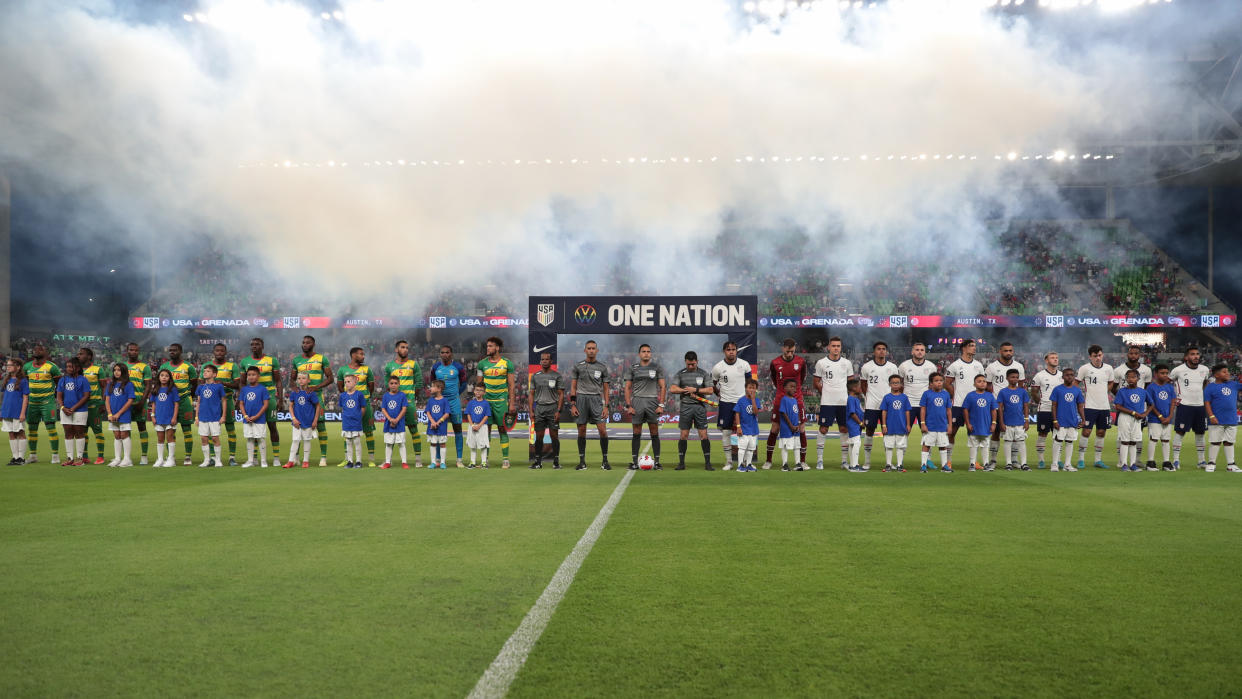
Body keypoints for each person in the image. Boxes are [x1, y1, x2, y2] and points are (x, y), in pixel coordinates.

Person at [764, 339, 808, 470]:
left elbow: (802, 378)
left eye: (792, 351)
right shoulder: (775, 362)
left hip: (797, 400)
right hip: (780, 400)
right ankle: (768, 460)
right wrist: (783, 392)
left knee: (801, 428)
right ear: (783, 348)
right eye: (788, 351)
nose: (790, 354)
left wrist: (795, 392)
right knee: (775, 429)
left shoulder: (801, 362)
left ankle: (802, 461)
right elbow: (774, 379)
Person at [813, 336, 855, 470]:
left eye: (838, 346)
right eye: (833, 346)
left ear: (841, 348)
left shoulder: (847, 363)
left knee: (844, 429)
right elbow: (816, 382)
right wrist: (825, 392)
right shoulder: (821, 363)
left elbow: (851, 383)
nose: (836, 348)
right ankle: (820, 460)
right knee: (823, 429)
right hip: (827, 402)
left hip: (843, 402)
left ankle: (844, 461)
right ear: (829, 347)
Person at [290, 335, 333, 466]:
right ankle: (296, 457)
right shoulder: (296, 360)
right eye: (303, 342)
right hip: (301, 397)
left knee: (320, 426)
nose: (305, 344)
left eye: (308, 342)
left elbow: (330, 378)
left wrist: (316, 387)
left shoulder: (321, 358)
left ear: (313, 344)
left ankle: (323, 458)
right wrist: (294, 388)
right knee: (298, 425)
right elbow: (291, 379)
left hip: (317, 395)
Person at [239, 338, 282, 468]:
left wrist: (280, 398)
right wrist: (242, 398)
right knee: (253, 428)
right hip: (252, 398)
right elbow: (242, 382)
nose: (254, 346)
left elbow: (278, 381)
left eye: (257, 344)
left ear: (262, 346)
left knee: (272, 427)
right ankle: (255, 459)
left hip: (269, 396)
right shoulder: (245, 361)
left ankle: (276, 458)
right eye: (252, 344)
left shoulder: (271, 360)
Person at [475, 336, 517, 469]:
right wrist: (478, 402)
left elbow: (511, 385)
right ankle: (484, 460)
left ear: (497, 348)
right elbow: (479, 384)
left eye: (490, 346)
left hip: (500, 401)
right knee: (485, 431)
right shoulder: (482, 364)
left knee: (502, 429)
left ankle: (505, 460)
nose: (488, 348)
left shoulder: (507, 363)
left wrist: (511, 403)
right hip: (486, 402)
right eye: (487, 346)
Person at [383, 339, 424, 468]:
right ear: (396, 349)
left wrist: (411, 398)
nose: (405, 349)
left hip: (409, 403)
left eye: (407, 347)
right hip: (394, 404)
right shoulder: (389, 366)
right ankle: (388, 461)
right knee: (392, 431)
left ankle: (418, 459)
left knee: (414, 430)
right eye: (402, 347)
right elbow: (386, 383)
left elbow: (418, 383)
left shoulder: (413, 364)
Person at [711, 340, 752, 471]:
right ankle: (729, 462)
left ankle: (745, 461)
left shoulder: (744, 365)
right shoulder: (717, 367)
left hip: (742, 403)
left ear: (736, 351)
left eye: (733, 349)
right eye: (728, 350)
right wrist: (720, 394)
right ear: (724, 351)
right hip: (726, 403)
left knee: (745, 433)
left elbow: (750, 384)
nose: (731, 352)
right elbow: (714, 384)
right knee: (726, 432)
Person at [671, 351, 714, 471]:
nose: (691, 366)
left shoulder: (703, 373)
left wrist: (695, 389)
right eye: (689, 364)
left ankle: (708, 463)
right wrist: (685, 391)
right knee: (684, 435)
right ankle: (681, 463)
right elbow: (673, 388)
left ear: (697, 362)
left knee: (703, 435)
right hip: (686, 407)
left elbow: (710, 390)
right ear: (685, 362)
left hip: (700, 407)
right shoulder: (680, 374)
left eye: (693, 364)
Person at [1169, 346, 1211, 469]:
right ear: (1186, 357)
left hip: (1200, 406)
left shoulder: (1205, 369)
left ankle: (1201, 461)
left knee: (1200, 433)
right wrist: (1175, 397)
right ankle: (1176, 460)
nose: (1196, 356)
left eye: (1197, 354)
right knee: (1180, 432)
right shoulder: (1178, 370)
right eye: (1192, 354)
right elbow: (1168, 383)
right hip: (1184, 405)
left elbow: (1205, 383)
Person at [570, 339, 609, 470]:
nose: (591, 350)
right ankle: (582, 462)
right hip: (581, 399)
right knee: (581, 431)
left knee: (603, 431)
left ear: (597, 351)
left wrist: (606, 406)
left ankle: (605, 461)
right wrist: (573, 404)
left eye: (593, 348)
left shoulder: (602, 367)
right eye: (589, 348)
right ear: (585, 350)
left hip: (596, 400)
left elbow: (606, 388)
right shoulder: (578, 366)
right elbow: (573, 386)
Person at [860, 341, 900, 469]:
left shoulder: (893, 367)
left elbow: (896, 384)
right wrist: (870, 397)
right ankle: (867, 462)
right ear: (874, 352)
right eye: (879, 349)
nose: (881, 351)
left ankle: (889, 462)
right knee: (869, 431)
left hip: (888, 406)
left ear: (887, 352)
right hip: (872, 405)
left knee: (888, 433)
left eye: (884, 349)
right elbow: (863, 386)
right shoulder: (866, 367)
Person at [984, 342, 1024, 468]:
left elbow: (1021, 386)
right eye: (1005, 350)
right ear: (1000, 351)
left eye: (1010, 350)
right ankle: (993, 460)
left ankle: (1014, 460)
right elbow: (988, 387)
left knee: (1015, 434)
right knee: (995, 432)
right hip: (997, 405)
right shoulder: (991, 367)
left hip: (1014, 405)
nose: (1008, 353)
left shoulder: (1019, 366)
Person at [336, 347, 377, 468]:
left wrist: (364, 398)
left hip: (365, 404)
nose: (363, 356)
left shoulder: (367, 369)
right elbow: (340, 387)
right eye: (361, 354)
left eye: (363, 354)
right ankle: (347, 459)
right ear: (353, 355)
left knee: (369, 431)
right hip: (349, 406)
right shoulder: (342, 370)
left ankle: (371, 459)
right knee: (347, 432)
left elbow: (371, 387)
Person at [159, 343, 199, 466]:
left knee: (187, 429)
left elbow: (194, 384)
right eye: (170, 350)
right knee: (170, 430)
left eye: (174, 350)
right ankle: (171, 457)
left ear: (180, 351)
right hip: (169, 402)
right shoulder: (164, 366)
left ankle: (188, 456)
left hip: (184, 401)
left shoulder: (188, 367)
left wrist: (188, 396)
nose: (172, 352)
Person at [1077, 344, 1116, 469]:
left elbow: (1111, 382)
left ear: (1102, 355)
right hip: (1089, 406)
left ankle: (1098, 460)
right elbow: (1075, 383)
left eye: (1099, 355)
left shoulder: (1109, 368)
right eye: (1095, 356)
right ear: (1090, 357)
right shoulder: (1084, 368)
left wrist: (1106, 391)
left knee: (1101, 432)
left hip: (1104, 406)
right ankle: (1081, 459)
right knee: (1086, 431)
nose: (1098, 358)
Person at [945, 339, 985, 459]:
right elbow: (947, 383)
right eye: (971, 346)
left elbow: (982, 383)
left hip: (975, 405)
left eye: (974, 346)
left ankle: (974, 462)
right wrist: (954, 393)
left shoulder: (978, 365)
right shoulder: (955, 365)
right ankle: (948, 460)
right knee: (951, 432)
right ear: (964, 348)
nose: (974, 348)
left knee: (974, 434)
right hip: (958, 404)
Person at [23, 344, 61, 464]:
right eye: (35, 349)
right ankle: (33, 455)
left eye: (40, 349)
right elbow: (26, 383)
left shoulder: (52, 367)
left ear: (46, 353)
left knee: (51, 428)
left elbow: (59, 385)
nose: (37, 350)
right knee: (32, 429)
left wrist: (56, 399)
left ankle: (55, 455)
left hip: (47, 403)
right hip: (32, 403)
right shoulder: (27, 366)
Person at [203, 343, 241, 466]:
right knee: (209, 430)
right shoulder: (206, 366)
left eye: (222, 351)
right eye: (217, 350)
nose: (219, 352)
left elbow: (237, 385)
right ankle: (213, 458)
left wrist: (223, 383)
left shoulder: (232, 366)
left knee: (230, 428)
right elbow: (199, 383)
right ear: (213, 352)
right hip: (211, 402)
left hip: (228, 399)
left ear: (225, 352)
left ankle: (232, 457)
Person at [431, 345, 468, 468]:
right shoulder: (436, 367)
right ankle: (438, 460)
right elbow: (432, 382)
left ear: (451, 354)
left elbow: (464, 382)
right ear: (440, 354)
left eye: (447, 352)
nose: (444, 354)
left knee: (458, 429)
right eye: (442, 352)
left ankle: (459, 460)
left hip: (454, 402)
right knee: (438, 431)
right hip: (440, 402)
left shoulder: (458, 367)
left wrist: (457, 392)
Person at [1203, 364, 1242, 473]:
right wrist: (1211, 416)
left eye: (1228, 371)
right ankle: (1211, 463)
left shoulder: (1233, 384)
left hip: (1231, 419)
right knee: (1215, 441)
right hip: (1216, 419)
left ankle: (1231, 465)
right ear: (1216, 375)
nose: (1228, 373)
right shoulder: (1210, 387)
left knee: (1229, 442)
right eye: (1224, 372)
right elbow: (1207, 403)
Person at [529, 352, 565, 470]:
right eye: (542, 359)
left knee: (554, 436)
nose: (544, 361)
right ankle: (538, 462)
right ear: (540, 361)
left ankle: (556, 462)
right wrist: (531, 410)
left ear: (551, 362)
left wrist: (558, 411)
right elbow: (531, 394)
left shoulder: (557, 376)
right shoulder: (535, 376)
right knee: (539, 436)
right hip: (539, 408)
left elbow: (561, 394)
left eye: (547, 359)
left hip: (552, 408)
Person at [56, 358, 90, 466]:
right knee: (68, 433)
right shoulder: (63, 379)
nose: (68, 369)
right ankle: (70, 458)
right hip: (65, 410)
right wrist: (62, 407)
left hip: (80, 410)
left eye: (71, 366)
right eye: (67, 366)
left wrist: (73, 408)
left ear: (78, 368)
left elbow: (86, 396)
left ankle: (80, 459)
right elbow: (59, 395)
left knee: (79, 432)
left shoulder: (83, 379)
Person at [1050, 368, 1086, 472]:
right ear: (1063, 377)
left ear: (1074, 377)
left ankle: (1067, 464)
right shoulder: (1057, 389)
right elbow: (1054, 406)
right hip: (1060, 421)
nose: (1069, 377)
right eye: (1067, 375)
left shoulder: (1077, 390)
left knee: (1070, 442)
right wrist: (1055, 421)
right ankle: (1054, 464)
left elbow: (1080, 406)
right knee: (1058, 441)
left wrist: (1083, 420)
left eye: (1071, 375)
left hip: (1072, 421)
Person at [1113, 369, 1149, 472]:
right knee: (1125, 441)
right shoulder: (1122, 391)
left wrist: (1145, 414)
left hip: (1137, 419)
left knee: (1133, 442)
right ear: (1126, 379)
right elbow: (1118, 406)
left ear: (1138, 378)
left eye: (1133, 377)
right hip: (1125, 418)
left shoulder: (1142, 391)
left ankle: (1133, 464)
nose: (1131, 379)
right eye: (1128, 377)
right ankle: (1124, 464)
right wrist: (1133, 413)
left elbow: (1151, 404)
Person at [124, 342, 153, 466]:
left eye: (136, 350)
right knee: (126, 429)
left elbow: (148, 386)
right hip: (125, 403)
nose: (134, 352)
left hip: (139, 402)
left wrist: (142, 401)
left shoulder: (144, 367)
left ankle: (144, 456)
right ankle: (127, 457)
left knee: (142, 428)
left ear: (138, 352)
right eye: (131, 350)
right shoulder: (123, 366)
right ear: (127, 351)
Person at [1029, 352, 1060, 469]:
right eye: (1052, 358)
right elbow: (1034, 392)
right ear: (1046, 361)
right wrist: (1041, 403)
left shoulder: (1062, 375)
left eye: (1056, 358)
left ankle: (1058, 460)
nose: (1055, 360)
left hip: (1058, 411)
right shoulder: (1039, 376)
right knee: (1042, 434)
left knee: (1058, 436)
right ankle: (1041, 460)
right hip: (1044, 410)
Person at [898, 342, 936, 435]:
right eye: (917, 350)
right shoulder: (904, 366)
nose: (920, 352)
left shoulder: (931, 366)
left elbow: (933, 386)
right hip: (908, 404)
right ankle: (901, 450)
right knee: (904, 432)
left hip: (925, 405)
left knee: (927, 433)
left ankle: (926, 450)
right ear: (912, 352)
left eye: (922, 350)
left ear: (925, 352)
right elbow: (898, 384)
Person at [997, 369, 1031, 471]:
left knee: (1021, 442)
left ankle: (1024, 463)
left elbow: (1025, 406)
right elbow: (1000, 409)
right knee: (1007, 442)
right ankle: (1008, 463)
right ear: (1007, 378)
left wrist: (1026, 420)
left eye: (1016, 377)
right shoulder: (1003, 392)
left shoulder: (1022, 391)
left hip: (1020, 421)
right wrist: (1001, 422)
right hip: (1007, 422)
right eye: (1012, 377)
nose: (1015, 379)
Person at [77, 347, 107, 464]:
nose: (78, 355)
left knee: (97, 430)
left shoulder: (97, 369)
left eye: (81, 354)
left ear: (89, 356)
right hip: (81, 405)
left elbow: (104, 386)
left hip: (94, 404)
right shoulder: (77, 370)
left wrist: (102, 403)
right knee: (82, 431)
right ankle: (85, 456)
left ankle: (100, 456)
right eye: (78, 354)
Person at [286, 371, 321, 469]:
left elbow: (318, 407)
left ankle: (305, 461)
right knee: (295, 441)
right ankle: (290, 461)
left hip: (308, 422)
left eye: (303, 378)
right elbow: (290, 406)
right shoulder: (294, 393)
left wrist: (315, 421)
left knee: (307, 441)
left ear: (308, 380)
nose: (301, 380)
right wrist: (294, 419)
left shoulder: (311, 393)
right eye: (299, 378)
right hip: (297, 422)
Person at [918, 372, 952, 473]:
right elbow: (923, 409)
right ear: (931, 383)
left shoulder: (946, 394)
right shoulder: (926, 394)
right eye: (936, 381)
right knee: (926, 444)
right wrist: (923, 423)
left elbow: (948, 411)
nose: (939, 383)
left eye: (941, 381)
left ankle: (944, 465)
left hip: (942, 425)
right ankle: (923, 465)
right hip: (930, 425)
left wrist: (950, 425)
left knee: (943, 445)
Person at [238, 366, 271, 469]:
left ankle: (263, 461)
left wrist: (257, 416)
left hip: (259, 419)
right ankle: (250, 460)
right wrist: (245, 416)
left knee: (260, 438)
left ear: (258, 376)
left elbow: (265, 405)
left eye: (253, 375)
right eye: (249, 375)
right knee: (250, 439)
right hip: (247, 419)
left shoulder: (262, 389)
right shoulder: (244, 389)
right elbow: (241, 404)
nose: (251, 377)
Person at [104, 363, 136, 468]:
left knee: (124, 435)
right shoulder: (111, 384)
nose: (116, 372)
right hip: (112, 415)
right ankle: (117, 458)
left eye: (119, 370)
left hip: (123, 414)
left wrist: (118, 413)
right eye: (115, 370)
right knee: (117, 436)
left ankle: (127, 459)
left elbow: (130, 400)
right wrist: (109, 413)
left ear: (124, 371)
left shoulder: (128, 384)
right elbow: (107, 400)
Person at [964, 375, 998, 471]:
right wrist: (968, 423)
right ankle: (972, 464)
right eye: (979, 381)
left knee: (985, 444)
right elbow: (965, 410)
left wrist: (994, 423)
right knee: (973, 444)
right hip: (974, 425)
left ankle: (986, 464)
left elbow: (993, 410)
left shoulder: (989, 395)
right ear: (974, 384)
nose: (982, 383)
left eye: (984, 381)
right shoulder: (970, 395)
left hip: (986, 425)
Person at [1145, 365, 1176, 471]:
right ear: (1156, 374)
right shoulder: (1151, 387)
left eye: (1166, 373)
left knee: (1166, 440)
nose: (1165, 375)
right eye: (1162, 373)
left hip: (1168, 419)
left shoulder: (1170, 387)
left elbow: (1173, 402)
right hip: (1155, 419)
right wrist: (1160, 416)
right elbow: (1150, 404)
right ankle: (1150, 462)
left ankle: (1166, 462)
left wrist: (1170, 416)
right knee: (1153, 439)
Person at [194, 365, 225, 468]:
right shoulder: (200, 387)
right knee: (203, 438)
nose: (205, 372)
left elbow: (224, 401)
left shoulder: (219, 386)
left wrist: (223, 416)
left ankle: (218, 460)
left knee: (215, 438)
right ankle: (206, 460)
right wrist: (196, 417)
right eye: (204, 371)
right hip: (203, 416)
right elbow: (198, 402)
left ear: (214, 374)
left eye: (208, 371)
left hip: (215, 416)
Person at [878, 374, 911, 472]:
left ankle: (899, 465)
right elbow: (884, 411)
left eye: (897, 383)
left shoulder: (904, 397)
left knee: (900, 446)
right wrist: (884, 425)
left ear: (901, 384)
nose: (895, 385)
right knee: (889, 446)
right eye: (893, 383)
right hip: (890, 426)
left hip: (901, 425)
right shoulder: (887, 397)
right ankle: (888, 464)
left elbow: (907, 411)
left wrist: (908, 424)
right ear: (889, 384)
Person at [150, 369, 179, 468]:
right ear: (158, 377)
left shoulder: (173, 389)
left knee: (170, 437)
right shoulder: (156, 389)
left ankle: (171, 459)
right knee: (160, 438)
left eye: (166, 376)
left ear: (170, 378)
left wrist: (174, 417)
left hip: (170, 418)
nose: (164, 377)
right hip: (159, 418)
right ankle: (160, 459)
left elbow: (176, 404)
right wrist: (153, 415)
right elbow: (153, 403)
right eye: (162, 375)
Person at [379, 376, 410, 469]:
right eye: (391, 383)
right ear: (389, 385)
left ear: (399, 384)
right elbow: (383, 409)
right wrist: (391, 419)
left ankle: (404, 462)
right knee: (388, 443)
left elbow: (404, 409)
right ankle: (388, 462)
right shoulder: (385, 396)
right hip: (388, 424)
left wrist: (396, 419)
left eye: (396, 383)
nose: (393, 385)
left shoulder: (402, 395)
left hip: (400, 424)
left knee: (401, 443)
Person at [2, 359, 29, 464]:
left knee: (20, 432)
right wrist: (2, 410)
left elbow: (25, 398)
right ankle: (15, 457)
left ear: (18, 367)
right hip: (7, 411)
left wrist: (22, 413)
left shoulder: (23, 381)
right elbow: (5, 397)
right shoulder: (6, 379)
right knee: (11, 433)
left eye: (11, 365)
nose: (8, 367)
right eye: (7, 365)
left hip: (17, 411)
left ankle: (21, 458)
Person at [733, 378, 761, 472]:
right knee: (742, 447)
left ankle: (748, 464)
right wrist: (738, 427)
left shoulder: (756, 400)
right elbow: (737, 413)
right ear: (746, 388)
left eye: (754, 388)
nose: (752, 390)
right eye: (750, 387)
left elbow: (756, 412)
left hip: (753, 429)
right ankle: (740, 465)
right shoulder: (741, 400)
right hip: (744, 428)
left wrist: (753, 400)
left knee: (751, 448)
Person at [338, 373, 366, 469]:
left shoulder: (359, 394)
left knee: (357, 442)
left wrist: (358, 417)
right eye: (345, 382)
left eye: (349, 381)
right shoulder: (342, 395)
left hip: (356, 423)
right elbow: (343, 408)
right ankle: (350, 461)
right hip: (346, 423)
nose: (346, 383)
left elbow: (363, 408)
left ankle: (358, 461)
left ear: (355, 382)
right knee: (348, 442)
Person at [776, 379, 804, 471]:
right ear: (785, 388)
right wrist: (791, 426)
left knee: (797, 445)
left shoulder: (795, 400)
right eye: (791, 386)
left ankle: (798, 463)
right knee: (785, 445)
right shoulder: (784, 399)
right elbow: (784, 413)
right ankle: (784, 464)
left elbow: (796, 413)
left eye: (795, 387)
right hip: (787, 428)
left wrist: (798, 424)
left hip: (795, 427)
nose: (793, 389)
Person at [465, 384, 492, 468]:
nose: (478, 392)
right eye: (476, 390)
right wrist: (472, 425)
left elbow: (486, 416)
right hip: (472, 426)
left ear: (484, 392)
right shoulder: (471, 403)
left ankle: (484, 462)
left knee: (483, 444)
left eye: (480, 390)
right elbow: (468, 414)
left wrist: (479, 425)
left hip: (482, 426)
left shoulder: (486, 403)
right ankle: (472, 462)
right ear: (474, 391)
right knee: (472, 445)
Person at [425, 380, 451, 469]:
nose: (430, 388)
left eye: (432, 386)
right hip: (432, 427)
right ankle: (433, 462)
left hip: (441, 427)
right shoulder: (430, 400)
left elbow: (447, 413)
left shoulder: (445, 401)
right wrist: (432, 422)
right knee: (433, 443)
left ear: (439, 389)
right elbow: (427, 412)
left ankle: (442, 463)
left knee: (442, 444)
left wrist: (438, 422)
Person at [844, 378, 866, 472]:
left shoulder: (854, 399)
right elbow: (852, 413)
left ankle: (854, 464)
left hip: (855, 424)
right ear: (853, 388)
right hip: (854, 424)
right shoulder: (851, 399)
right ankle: (854, 466)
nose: (860, 388)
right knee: (857, 443)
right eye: (859, 386)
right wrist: (860, 423)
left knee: (852, 443)